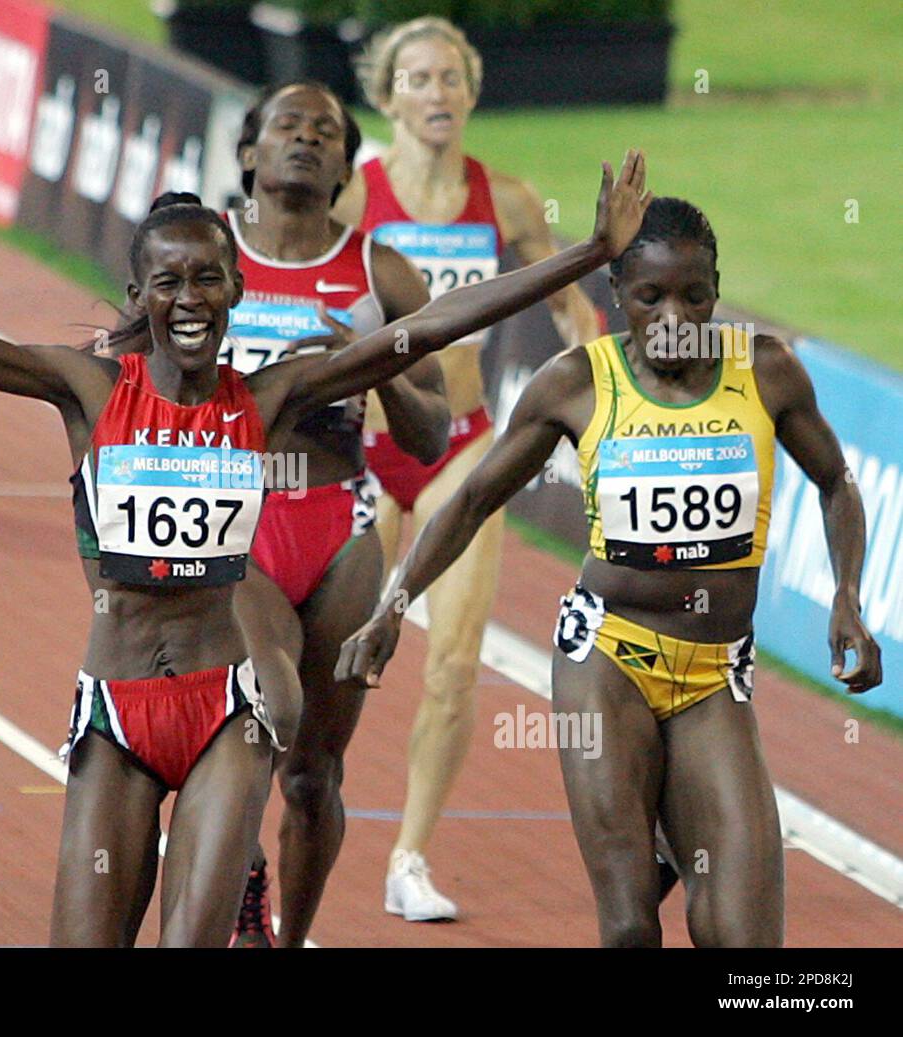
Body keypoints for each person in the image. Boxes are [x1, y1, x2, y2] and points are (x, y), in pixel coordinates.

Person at [0, 151, 650, 946]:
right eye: (168, 279)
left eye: (210, 278)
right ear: (138, 288)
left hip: (225, 707)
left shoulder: (267, 396)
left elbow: (419, 330)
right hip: (118, 712)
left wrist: (588, 254)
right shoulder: (87, 390)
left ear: (234, 288)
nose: (190, 298)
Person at [337, 196, 882, 947]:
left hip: (715, 671)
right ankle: (650, 842)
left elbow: (837, 483)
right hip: (608, 655)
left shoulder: (766, 371)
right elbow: (469, 499)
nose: (673, 316)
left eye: (694, 294)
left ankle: (671, 832)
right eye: (649, 296)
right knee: (629, 926)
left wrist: (847, 596)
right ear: (617, 296)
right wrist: (392, 606)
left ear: (716, 289)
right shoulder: (576, 382)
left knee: (744, 941)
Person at [332, 16, 601, 921]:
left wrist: (595, 373)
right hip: (363, 446)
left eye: (452, 77)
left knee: (451, 663)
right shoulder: (352, 197)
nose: (437, 93)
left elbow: (573, 307)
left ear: (472, 93)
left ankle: (409, 856)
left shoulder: (509, 199)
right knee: (333, 654)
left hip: (464, 447)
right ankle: (301, 798)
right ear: (388, 96)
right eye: (419, 78)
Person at [223, 80, 447, 948]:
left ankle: (286, 933)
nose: (307, 140)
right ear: (250, 152)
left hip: (340, 521)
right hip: (235, 520)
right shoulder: (213, 254)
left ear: (348, 168)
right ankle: (241, 880)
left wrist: (368, 361)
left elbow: (430, 433)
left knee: (314, 774)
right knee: (265, 714)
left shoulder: (380, 273)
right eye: (288, 126)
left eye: (326, 133)